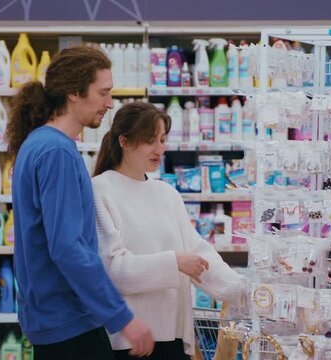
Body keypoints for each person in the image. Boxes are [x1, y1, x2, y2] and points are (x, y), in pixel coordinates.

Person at [6, 46, 154, 360]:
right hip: (68, 321)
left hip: (51, 317)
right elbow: (68, 247)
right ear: (74, 92)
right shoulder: (56, 152)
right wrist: (122, 317)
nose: (109, 103)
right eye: (103, 93)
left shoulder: (38, 143)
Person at [92, 102, 246, 360]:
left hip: (173, 338)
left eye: (162, 140)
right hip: (129, 341)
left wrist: (246, 292)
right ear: (124, 142)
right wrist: (174, 262)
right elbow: (113, 270)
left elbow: (199, 254)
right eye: (149, 140)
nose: (159, 149)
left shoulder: (166, 193)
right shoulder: (100, 190)